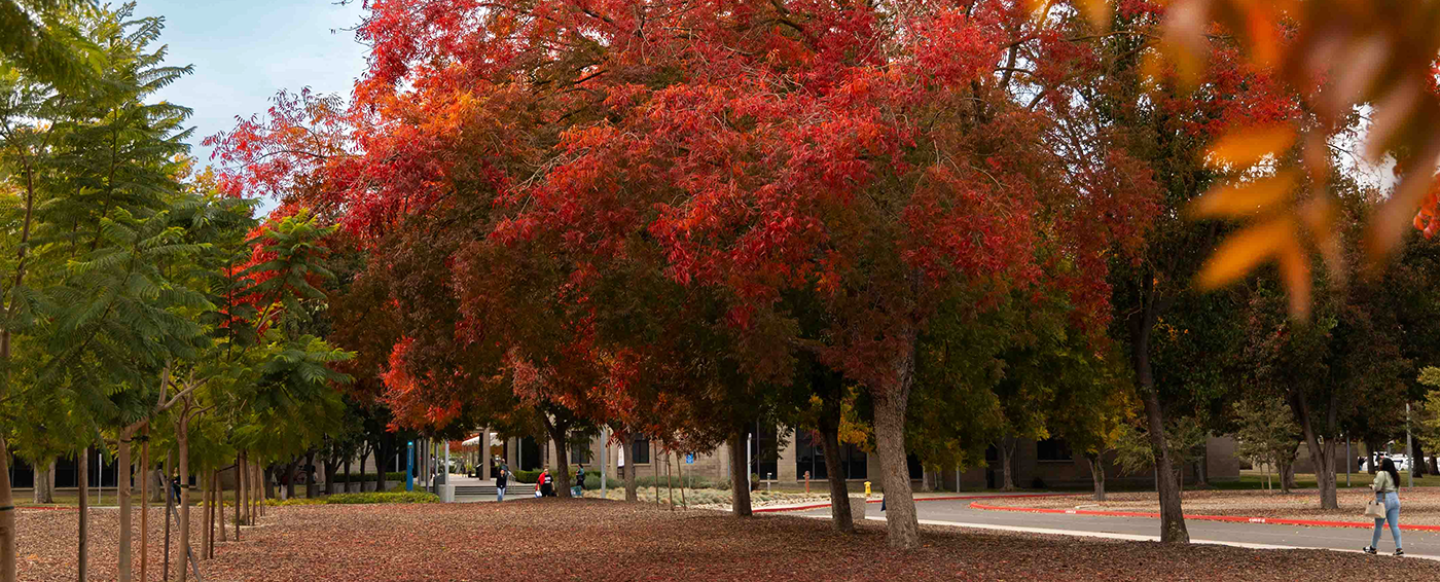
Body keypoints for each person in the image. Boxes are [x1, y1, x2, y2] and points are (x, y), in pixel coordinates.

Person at [1365, 457, 1404, 556]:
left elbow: (1378, 487)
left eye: (1381, 463)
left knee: (1378, 526)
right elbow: (1398, 488)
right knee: (1394, 525)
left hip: (1383, 499)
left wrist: (1372, 486)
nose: (1379, 464)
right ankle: (1399, 548)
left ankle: (1373, 547)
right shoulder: (1395, 475)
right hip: (1395, 499)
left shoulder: (1382, 474)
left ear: (1384, 465)